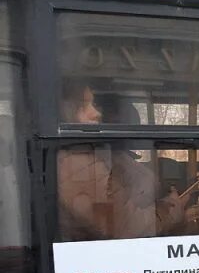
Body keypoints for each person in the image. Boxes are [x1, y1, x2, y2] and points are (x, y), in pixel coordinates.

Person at [57, 83, 186, 240]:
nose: (96, 113)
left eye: (93, 104)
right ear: (65, 112)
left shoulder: (93, 158)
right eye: (83, 106)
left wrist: (164, 205)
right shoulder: (80, 167)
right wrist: (173, 210)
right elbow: (129, 227)